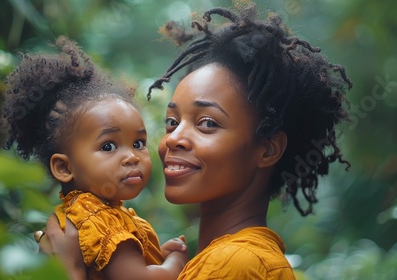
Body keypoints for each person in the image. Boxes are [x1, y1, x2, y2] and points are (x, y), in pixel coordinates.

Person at [40, 2, 352, 279]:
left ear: (267, 148)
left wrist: (67, 271)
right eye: (172, 122)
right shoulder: (207, 263)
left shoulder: (239, 264)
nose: (174, 139)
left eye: (207, 123)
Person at [2, 36, 188, 280]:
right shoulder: (97, 219)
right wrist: (176, 262)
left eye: (138, 143)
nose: (132, 157)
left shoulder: (91, 216)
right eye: (109, 146)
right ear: (64, 167)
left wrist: (154, 258)